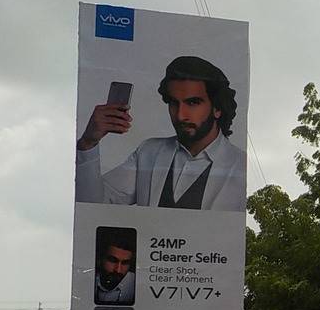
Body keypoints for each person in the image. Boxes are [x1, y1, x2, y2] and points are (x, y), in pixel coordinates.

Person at [75, 56, 246, 211]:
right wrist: (88, 143)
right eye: (173, 103)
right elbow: (94, 207)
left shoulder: (239, 164)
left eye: (193, 102)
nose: (180, 115)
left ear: (217, 108)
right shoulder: (149, 152)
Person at [94, 227, 136, 305]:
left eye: (125, 263)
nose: (118, 270)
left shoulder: (135, 283)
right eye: (113, 261)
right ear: (100, 259)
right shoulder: (88, 280)